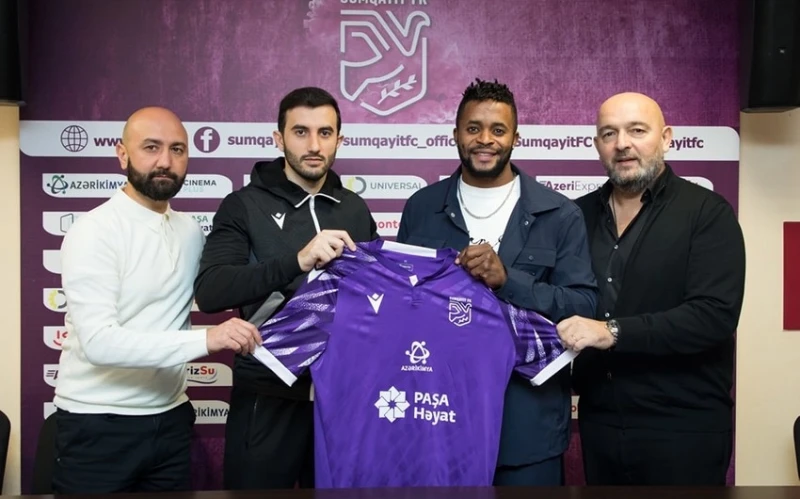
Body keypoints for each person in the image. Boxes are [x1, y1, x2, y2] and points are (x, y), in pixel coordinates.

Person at [396, 78, 598, 486]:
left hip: (526, 428)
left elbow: (583, 306)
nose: (485, 139)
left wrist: (508, 281)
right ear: (456, 134)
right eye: (473, 128)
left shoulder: (559, 214)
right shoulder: (421, 208)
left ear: (515, 138)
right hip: (437, 420)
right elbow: (401, 306)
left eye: (498, 129)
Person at [53, 106, 263, 494]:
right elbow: (99, 343)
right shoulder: (94, 231)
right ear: (122, 155)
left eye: (177, 149)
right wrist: (208, 339)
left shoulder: (190, 232)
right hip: (97, 423)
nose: (165, 161)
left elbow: (228, 284)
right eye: (151, 147)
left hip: (171, 420)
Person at [193, 87, 378, 490]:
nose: (314, 145)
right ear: (279, 138)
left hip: (341, 397)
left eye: (325, 133)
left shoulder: (354, 208)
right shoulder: (243, 205)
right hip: (268, 394)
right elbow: (211, 290)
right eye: (300, 132)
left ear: (339, 139)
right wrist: (298, 260)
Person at [558, 92, 746, 485]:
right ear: (597, 145)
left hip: (682, 428)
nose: (622, 143)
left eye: (637, 130)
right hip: (600, 423)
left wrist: (611, 332)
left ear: (666, 137)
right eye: (609, 133)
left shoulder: (707, 213)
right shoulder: (575, 216)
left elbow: (713, 316)